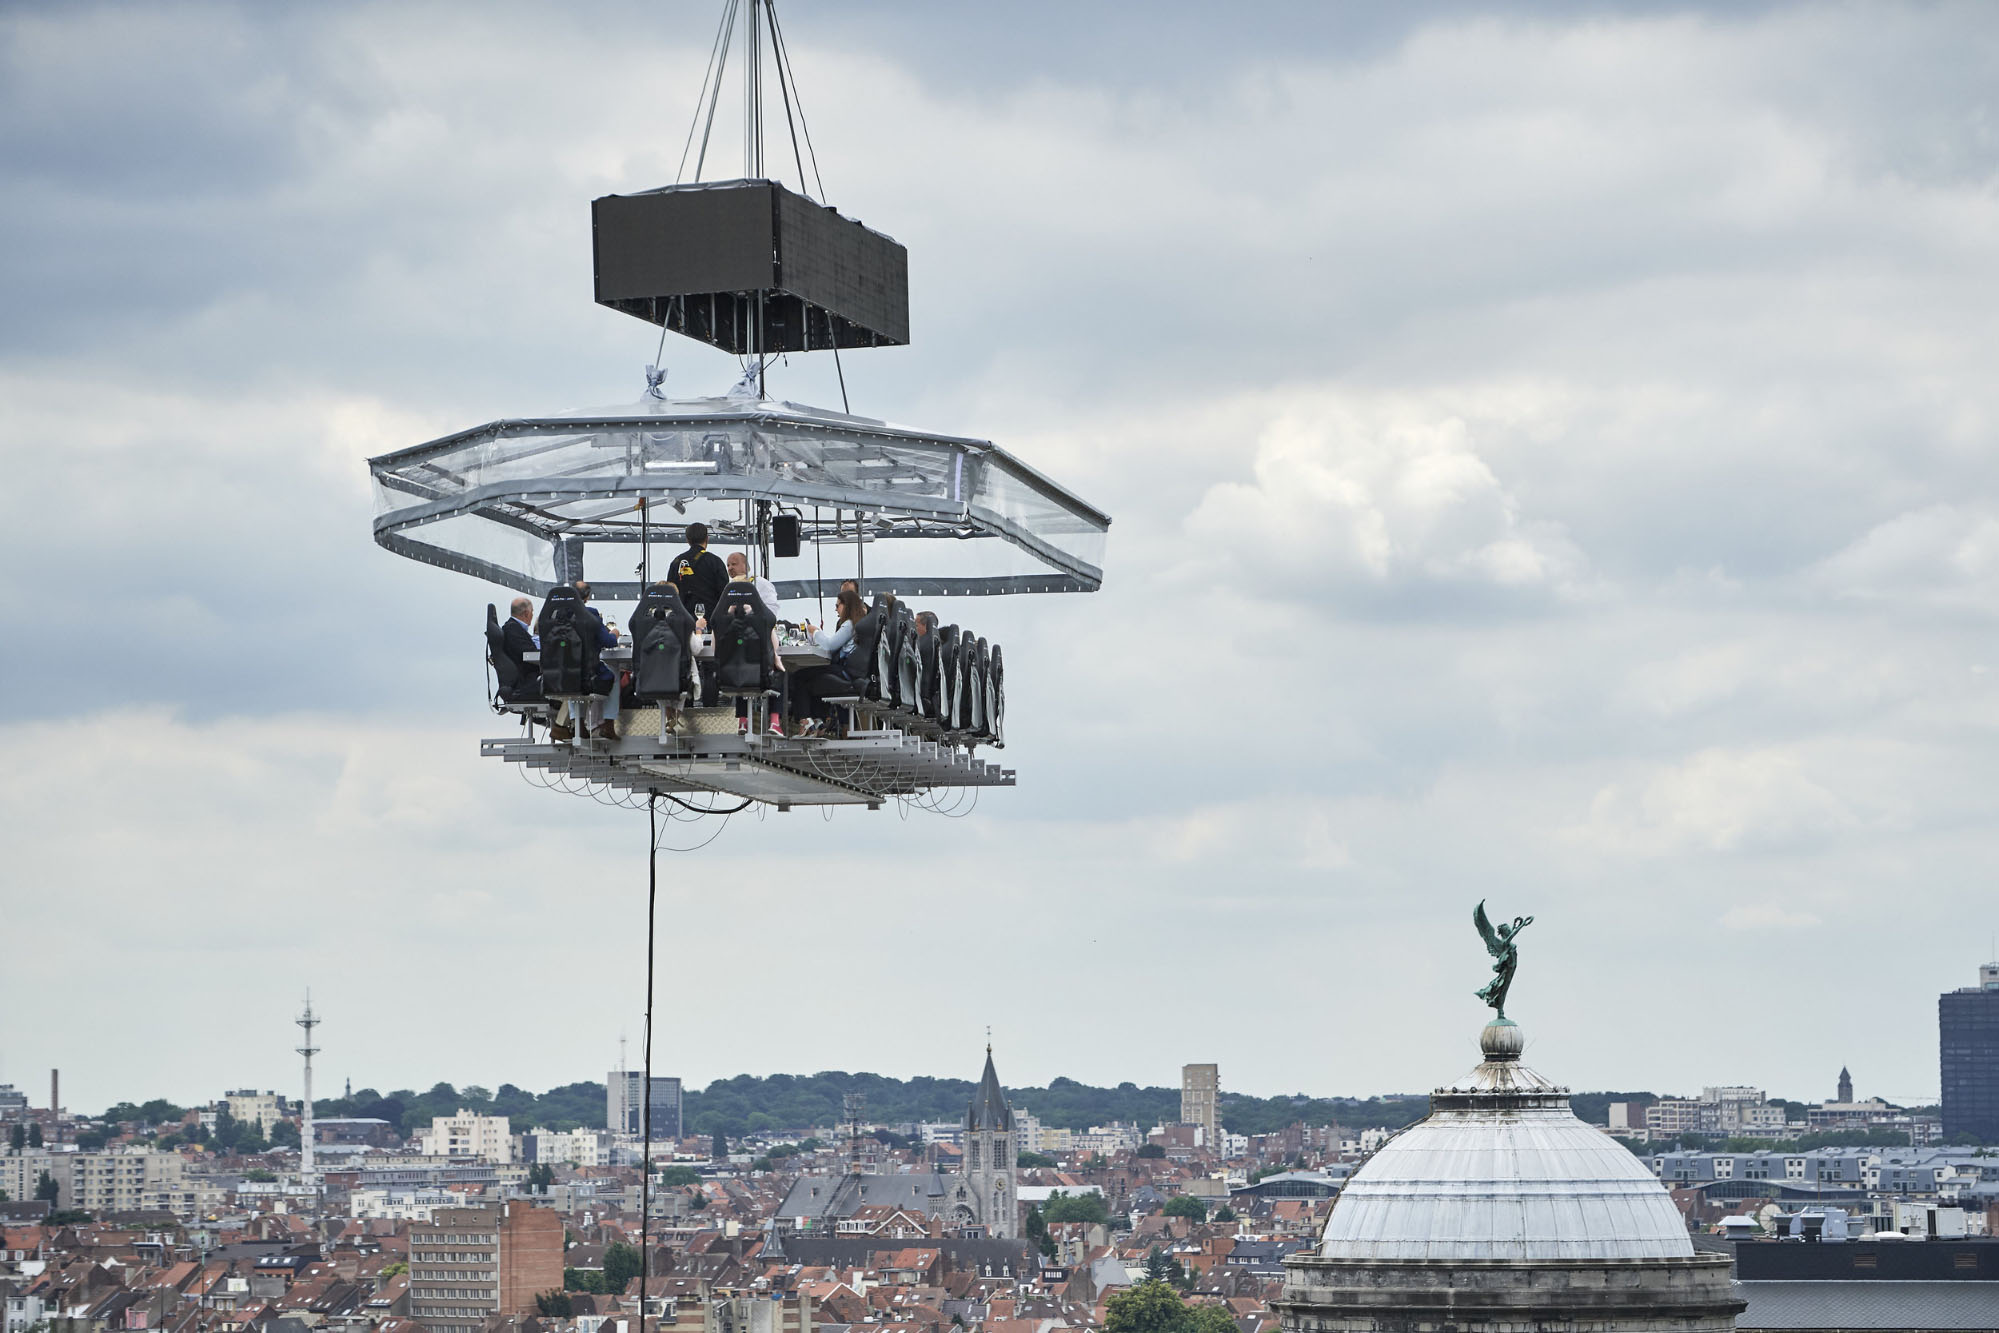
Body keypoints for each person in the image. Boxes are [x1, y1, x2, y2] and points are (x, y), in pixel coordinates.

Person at [709, 551, 788, 736]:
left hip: (746, 649)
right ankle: (772, 720)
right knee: (780, 670)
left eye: (734, 564)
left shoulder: (760, 584)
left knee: (743, 668)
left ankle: (745, 721)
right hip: (751, 651)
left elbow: (772, 613)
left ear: (746, 565)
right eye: (728, 565)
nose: (730, 568)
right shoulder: (728, 588)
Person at [792, 588, 871, 729]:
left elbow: (829, 645)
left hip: (845, 671)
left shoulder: (849, 624)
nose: (836, 610)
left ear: (846, 605)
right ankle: (818, 721)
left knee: (799, 676)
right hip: (853, 673)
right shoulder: (861, 623)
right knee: (816, 678)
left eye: (837, 605)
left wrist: (814, 631)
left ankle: (804, 720)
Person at [572, 580, 621, 741]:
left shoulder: (559, 614)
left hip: (565, 673)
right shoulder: (591, 613)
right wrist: (614, 633)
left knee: (570, 685)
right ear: (587, 597)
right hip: (589, 673)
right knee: (613, 674)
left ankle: (577, 724)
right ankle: (608, 724)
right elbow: (609, 642)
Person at [669, 522, 731, 623]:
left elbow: (670, 592)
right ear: (707, 538)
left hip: (682, 622)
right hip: (710, 621)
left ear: (687, 540)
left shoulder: (676, 562)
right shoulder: (715, 561)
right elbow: (724, 594)